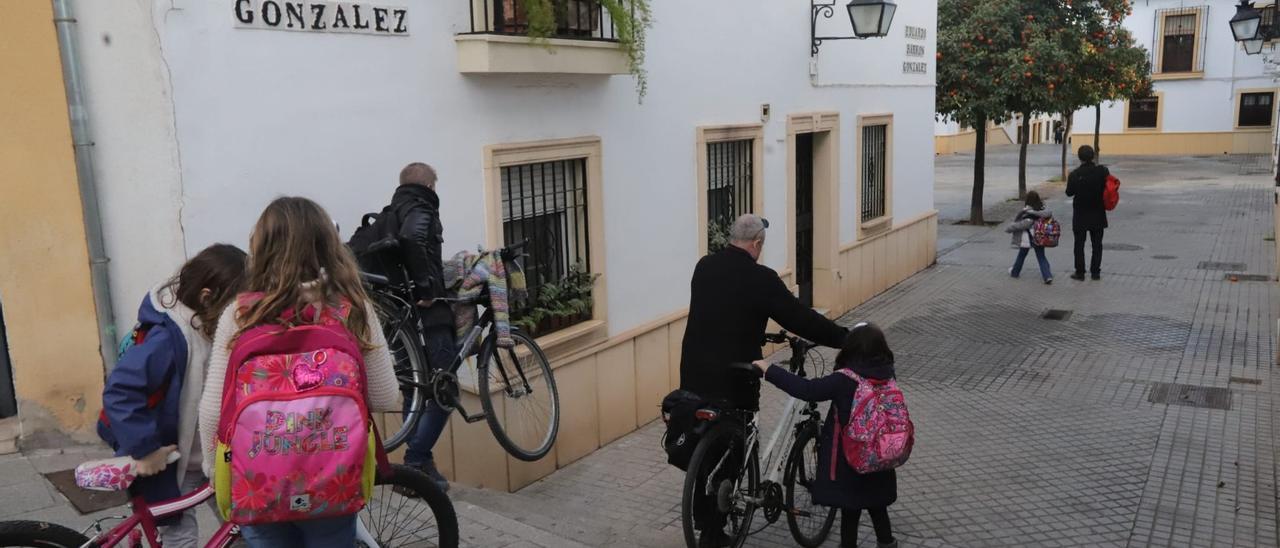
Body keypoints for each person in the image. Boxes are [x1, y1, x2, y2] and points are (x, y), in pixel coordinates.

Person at [198, 197, 401, 546]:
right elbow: (385, 396)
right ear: (329, 246)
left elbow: (214, 410)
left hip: (258, 481)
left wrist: (213, 470)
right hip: (332, 482)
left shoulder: (241, 313)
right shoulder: (351, 308)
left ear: (261, 248)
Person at [679, 213, 849, 548]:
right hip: (735, 375)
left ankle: (701, 511)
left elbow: (723, 308)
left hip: (694, 373)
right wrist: (845, 339)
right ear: (757, 243)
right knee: (735, 443)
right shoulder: (761, 279)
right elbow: (801, 319)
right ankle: (714, 532)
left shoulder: (704, 266)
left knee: (707, 443)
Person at [98, 244, 248, 547]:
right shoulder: (169, 338)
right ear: (207, 297)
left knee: (245, 523)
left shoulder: (202, 324)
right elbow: (120, 391)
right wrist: (146, 449)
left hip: (200, 456)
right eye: (235, 307)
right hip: (165, 458)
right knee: (180, 535)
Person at [754, 322, 899, 548]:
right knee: (878, 508)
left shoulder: (844, 379)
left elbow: (807, 390)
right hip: (880, 458)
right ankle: (887, 543)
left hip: (851, 462)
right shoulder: (887, 375)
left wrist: (769, 370)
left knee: (851, 510)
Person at [374, 162, 455, 492]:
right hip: (426, 314)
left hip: (397, 320)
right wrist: (427, 288)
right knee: (443, 388)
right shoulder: (422, 207)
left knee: (415, 387)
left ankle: (416, 467)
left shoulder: (389, 212)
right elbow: (413, 237)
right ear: (431, 186)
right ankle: (416, 460)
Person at [1065, 145, 1109, 281]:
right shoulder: (1103, 171)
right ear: (1093, 156)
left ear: (1079, 158)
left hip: (1080, 214)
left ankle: (1080, 273)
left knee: (1079, 244)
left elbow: (1069, 193)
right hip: (1098, 213)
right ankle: (1095, 273)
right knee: (1097, 245)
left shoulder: (1075, 174)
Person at [1005, 190, 1054, 284]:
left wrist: (1009, 228)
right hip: (1041, 236)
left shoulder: (1029, 212)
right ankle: (1047, 275)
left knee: (1021, 256)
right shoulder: (1043, 209)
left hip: (1028, 238)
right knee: (1041, 256)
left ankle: (1015, 272)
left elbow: (1024, 224)